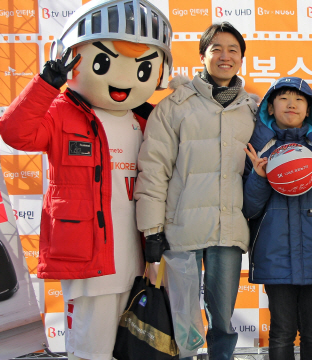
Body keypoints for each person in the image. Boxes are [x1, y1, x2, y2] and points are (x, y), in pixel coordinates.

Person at [0, 1, 173, 359]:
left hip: (141, 258)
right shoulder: (62, 112)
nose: (125, 79)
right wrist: (45, 85)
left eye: (143, 69)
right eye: (104, 62)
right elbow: (16, 133)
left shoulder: (149, 121)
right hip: (88, 258)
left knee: (134, 348)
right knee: (90, 349)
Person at [134, 22, 255, 360]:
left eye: (233, 50)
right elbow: (154, 169)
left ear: (242, 59)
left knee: (224, 321)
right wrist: (152, 232)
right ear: (203, 56)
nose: (225, 56)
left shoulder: (252, 110)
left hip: (227, 231)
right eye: (216, 48)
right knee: (183, 320)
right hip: (181, 230)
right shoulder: (175, 106)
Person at [242, 76, 312, 359]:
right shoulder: (256, 147)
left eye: (300, 99)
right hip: (274, 255)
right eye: (284, 98)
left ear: (310, 109)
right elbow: (249, 210)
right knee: (281, 331)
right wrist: (259, 177)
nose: (292, 104)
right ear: (269, 107)